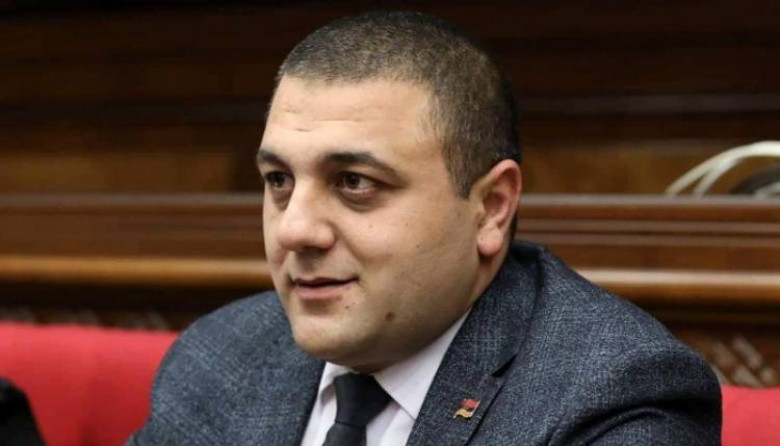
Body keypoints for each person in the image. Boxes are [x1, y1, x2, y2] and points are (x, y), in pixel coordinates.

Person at [128, 11, 721, 445]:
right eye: (279, 180)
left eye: (354, 182)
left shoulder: (611, 397)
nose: (294, 231)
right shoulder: (222, 356)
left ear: (491, 208)